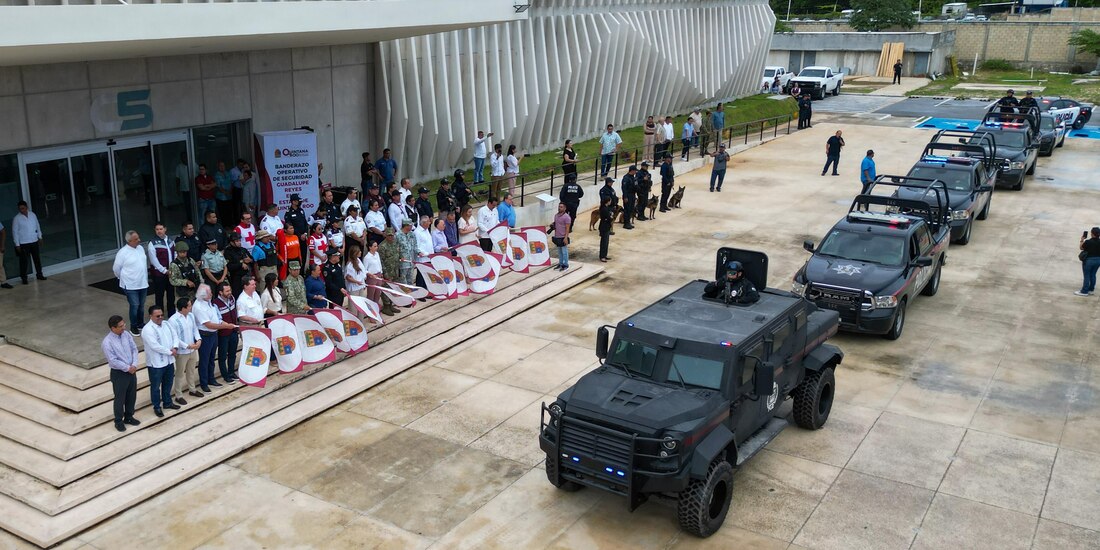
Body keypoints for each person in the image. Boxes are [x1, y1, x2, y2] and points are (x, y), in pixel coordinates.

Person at [103, 315, 141, 432]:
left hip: (131, 370)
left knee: (131, 395)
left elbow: (134, 349)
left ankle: (129, 416)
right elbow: (113, 360)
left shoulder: (126, 335)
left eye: (124, 325)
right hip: (119, 373)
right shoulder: (107, 342)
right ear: (113, 328)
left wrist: (134, 364)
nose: (123, 328)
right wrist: (127, 368)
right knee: (120, 398)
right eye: (120, 326)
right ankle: (118, 420)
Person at [141, 305, 178, 417]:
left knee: (168, 383)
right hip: (156, 363)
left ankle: (167, 402)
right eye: (158, 316)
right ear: (151, 316)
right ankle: (157, 406)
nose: (161, 317)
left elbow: (175, 335)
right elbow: (154, 346)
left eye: (162, 315)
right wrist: (170, 352)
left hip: (169, 361)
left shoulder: (166, 324)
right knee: (156, 386)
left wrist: (175, 347)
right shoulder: (147, 330)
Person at [114, 230, 150, 334]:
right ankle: (133, 326)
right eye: (136, 239)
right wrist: (122, 278)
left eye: (138, 238)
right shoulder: (122, 252)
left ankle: (140, 323)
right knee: (135, 305)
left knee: (141, 305)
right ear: (129, 241)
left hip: (142, 283)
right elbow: (116, 269)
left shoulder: (140, 248)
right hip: (130, 285)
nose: (139, 240)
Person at [169, 297, 202, 405]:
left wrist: (198, 339)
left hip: (192, 349)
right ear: (183, 308)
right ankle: (178, 395)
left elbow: (195, 329)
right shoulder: (173, 320)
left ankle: (192, 389)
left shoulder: (191, 316)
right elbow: (175, 338)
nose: (191, 307)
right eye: (189, 306)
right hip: (182, 352)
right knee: (179, 373)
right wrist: (187, 346)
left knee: (191, 371)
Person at [193, 284, 226, 391]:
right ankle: (204, 383)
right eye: (208, 293)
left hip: (214, 334)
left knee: (211, 358)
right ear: (202, 295)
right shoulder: (198, 306)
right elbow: (208, 324)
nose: (211, 294)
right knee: (204, 360)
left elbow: (216, 318)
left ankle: (211, 378)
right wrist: (224, 326)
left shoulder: (209, 303)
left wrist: (222, 323)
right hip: (205, 335)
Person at [214, 281, 242, 383]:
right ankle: (225, 375)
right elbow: (218, 320)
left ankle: (231, 372)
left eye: (230, 290)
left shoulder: (232, 298)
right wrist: (227, 325)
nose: (229, 292)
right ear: (221, 292)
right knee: (222, 356)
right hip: (223, 334)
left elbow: (235, 312)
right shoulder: (215, 304)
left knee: (232, 353)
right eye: (227, 291)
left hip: (234, 331)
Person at [12, 201, 45, 284]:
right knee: (24, 261)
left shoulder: (32, 215)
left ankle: (39, 274)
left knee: (37, 259)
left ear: (26, 207)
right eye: (20, 209)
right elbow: (15, 232)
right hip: (23, 243)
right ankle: (24, 278)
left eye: (23, 208)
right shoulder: (16, 218)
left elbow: (37, 225)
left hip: (33, 240)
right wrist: (17, 244)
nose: (22, 210)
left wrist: (40, 237)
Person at [147, 222, 176, 316]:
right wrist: (164, 271)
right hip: (159, 274)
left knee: (171, 294)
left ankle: (172, 313)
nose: (159, 231)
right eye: (157, 229)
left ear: (165, 229)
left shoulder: (170, 240)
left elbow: (174, 253)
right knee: (159, 295)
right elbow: (153, 260)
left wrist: (173, 268)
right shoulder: (152, 243)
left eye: (161, 229)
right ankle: (159, 314)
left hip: (171, 272)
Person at [223, 232, 252, 297]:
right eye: (237, 241)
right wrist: (241, 264)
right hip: (236, 278)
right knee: (238, 295)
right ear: (231, 242)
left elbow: (251, 258)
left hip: (247, 276)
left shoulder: (243, 249)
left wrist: (250, 260)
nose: (239, 242)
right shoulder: (228, 252)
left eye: (239, 240)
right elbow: (229, 266)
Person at [1077, 227, 1100, 296]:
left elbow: (1081, 248)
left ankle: (1084, 291)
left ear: (1092, 234)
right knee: (1093, 275)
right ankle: (1091, 289)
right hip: (1098, 260)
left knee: (1087, 275)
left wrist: (1082, 240)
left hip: (1089, 260)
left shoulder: (1088, 242)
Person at [396, 220, 418, 286]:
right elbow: (395, 249)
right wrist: (399, 257)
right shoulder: (397, 235)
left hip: (411, 261)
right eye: (410, 225)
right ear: (406, 226)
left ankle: (410, 294)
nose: (411, 227)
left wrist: (418, 252)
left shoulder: (412, 234)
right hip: (403, 263)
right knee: (403, 282)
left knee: (410, 280)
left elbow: (415, 245)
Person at [551, 202, 571, 271]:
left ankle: (565, 265)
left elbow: (567, 228)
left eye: (561, 207)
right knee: (559, 251)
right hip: (557, 236)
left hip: (563, 236)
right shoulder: (556, 215)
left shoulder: (567, 217)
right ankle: (560, 263)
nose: (560, 208)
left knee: (564, 251)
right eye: (559, 206)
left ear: (565, 208)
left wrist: (566, 238)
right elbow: (556, 224)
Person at [214, 161, 234, 225]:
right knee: (222, 212)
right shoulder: (217, 175)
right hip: (221, 197)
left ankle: (230, 224)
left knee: (229, 211)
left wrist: (230, 191)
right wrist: (225, 192)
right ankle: (224, 226)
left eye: (223, 166)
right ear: (218, 167)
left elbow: (231, 183)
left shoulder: (228, 173)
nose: (222, 167)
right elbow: (218, 186)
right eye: (220, 166)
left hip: (229, 196)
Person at [175, 154, 192, 223]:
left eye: (185, 157)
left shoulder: (193, 164)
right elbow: (177, 179)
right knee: (187, 205)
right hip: (184, 190)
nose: (184, 159)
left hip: (193, 190)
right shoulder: (179, 167)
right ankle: (189, 219)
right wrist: (177, 189)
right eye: (182, 157)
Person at [598, 197, 614, 263]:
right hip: (604, 226)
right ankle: (602, 256)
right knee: (604, 242)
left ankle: (604, 255)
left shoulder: (605, 208)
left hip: (606, 226)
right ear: (607, 201)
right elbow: (608, 217)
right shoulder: (604, 209)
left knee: (606, 242)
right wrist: (610, 217)